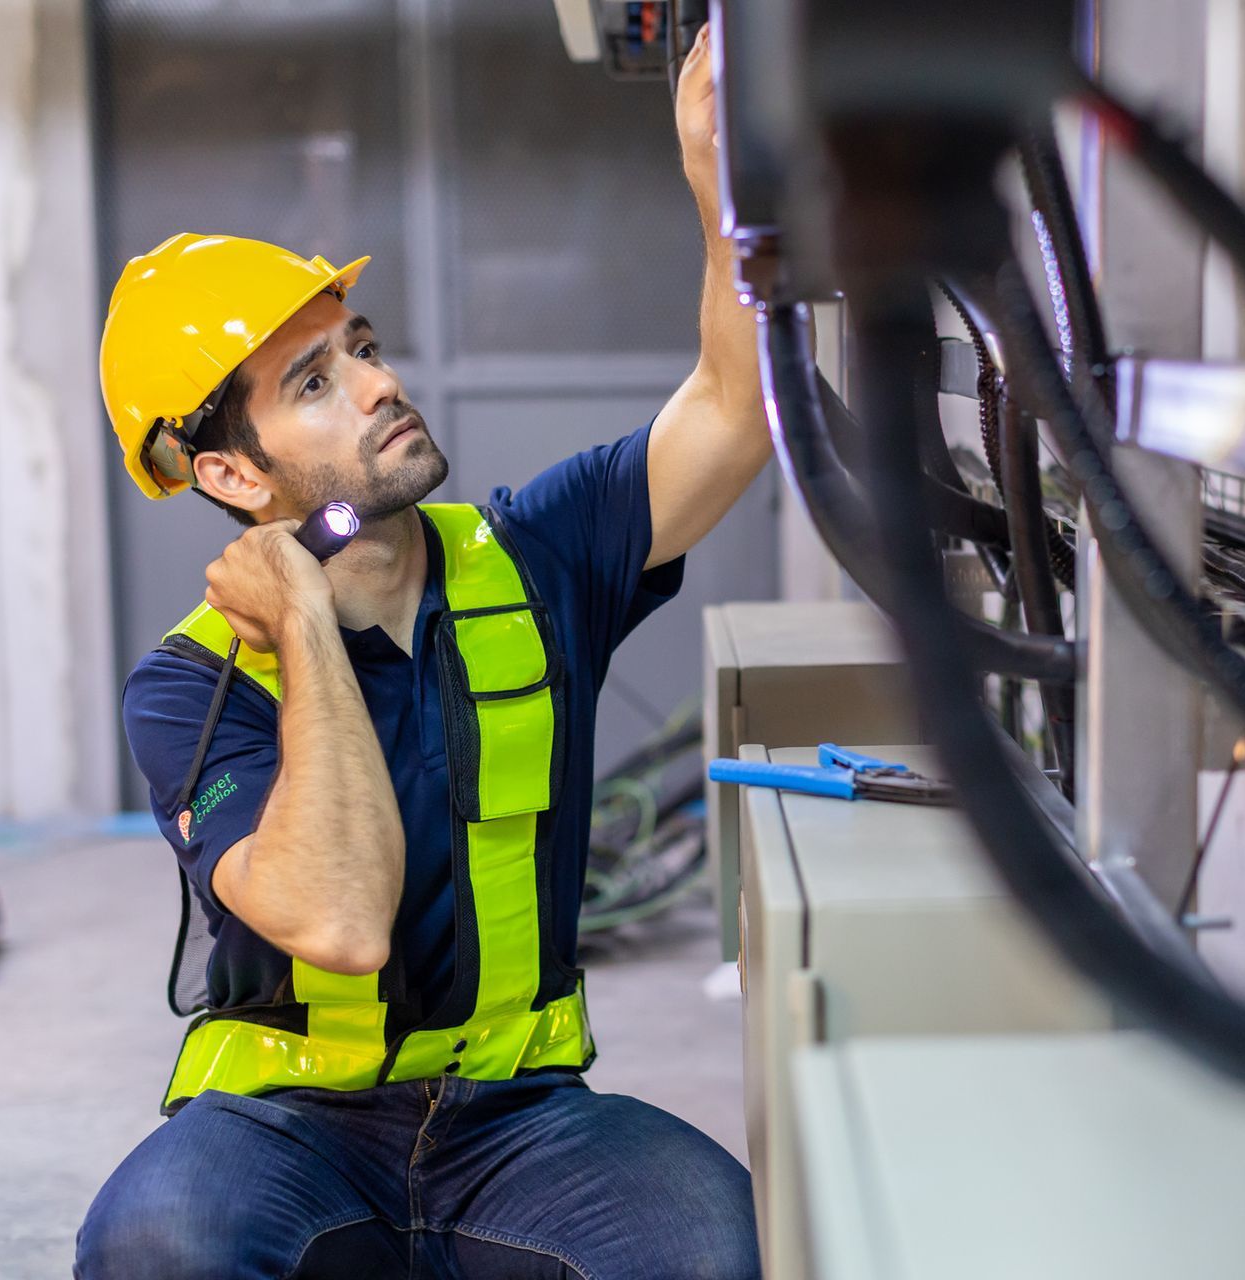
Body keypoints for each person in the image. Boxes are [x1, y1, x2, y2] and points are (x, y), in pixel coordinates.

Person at [78, 29, 766, 1279]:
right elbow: (336, 921)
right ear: (231, 473)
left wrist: (723, 189)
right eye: (316, 382)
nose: (381, 385)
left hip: (523, 1124)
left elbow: (730, 409)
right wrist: (301, 618)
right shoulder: (191, 683)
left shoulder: (535, 552)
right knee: (154, 1243)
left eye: (365, 349)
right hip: (288, 1130)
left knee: (713, 1238)